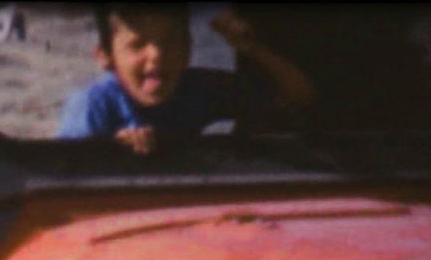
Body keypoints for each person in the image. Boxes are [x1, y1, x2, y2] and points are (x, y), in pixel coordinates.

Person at [57, 4, 314, 154]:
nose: (157, 56)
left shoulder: (196, 89)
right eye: (137, 45)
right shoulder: (92, 105)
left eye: (170, 42)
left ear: (188, 50)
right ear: (105, 57)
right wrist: (112, 152)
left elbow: (298, 96)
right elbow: (63, 173)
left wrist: (254, 49)